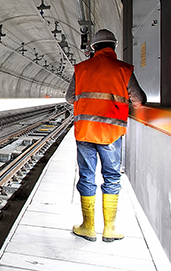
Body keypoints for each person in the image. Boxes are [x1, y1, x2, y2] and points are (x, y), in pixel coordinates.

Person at [65, 29, 146, 242]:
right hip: (111, 133)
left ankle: (88, 227)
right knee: (111, 176)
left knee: (87, 175)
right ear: (114, 46)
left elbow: (69, 97)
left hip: (85, 132)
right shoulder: (124, 69)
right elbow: (138, 100)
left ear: (93, 48)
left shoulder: (81, 69)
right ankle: (109, 229)